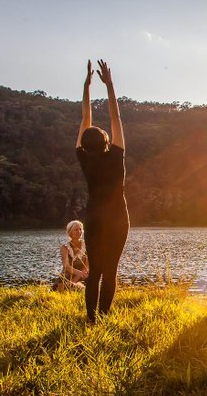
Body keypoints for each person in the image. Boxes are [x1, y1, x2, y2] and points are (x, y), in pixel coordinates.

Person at [76, 60, 129, 322]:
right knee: (110, 271)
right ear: (107, 141)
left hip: (94, 217)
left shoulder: (83, 157)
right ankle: (104, 318)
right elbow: (115, 117)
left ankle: (91, 319)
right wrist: (110, 85)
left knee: (94, 271)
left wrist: (86, 87)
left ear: (85, 144)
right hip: (118, 217)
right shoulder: (116, 155)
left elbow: (85, 118)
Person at [52, 220, 89, 291]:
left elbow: (87, 266)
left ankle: (77, 287)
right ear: (70, 232)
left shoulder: (86, 245)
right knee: (58, 287)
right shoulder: (64, 247)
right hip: (67, 275)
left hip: (83, 275)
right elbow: (67, 267)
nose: (79, 232)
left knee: (89, 286)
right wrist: (73, 279)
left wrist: (75, 280)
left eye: (80, 229)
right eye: (76, 230)